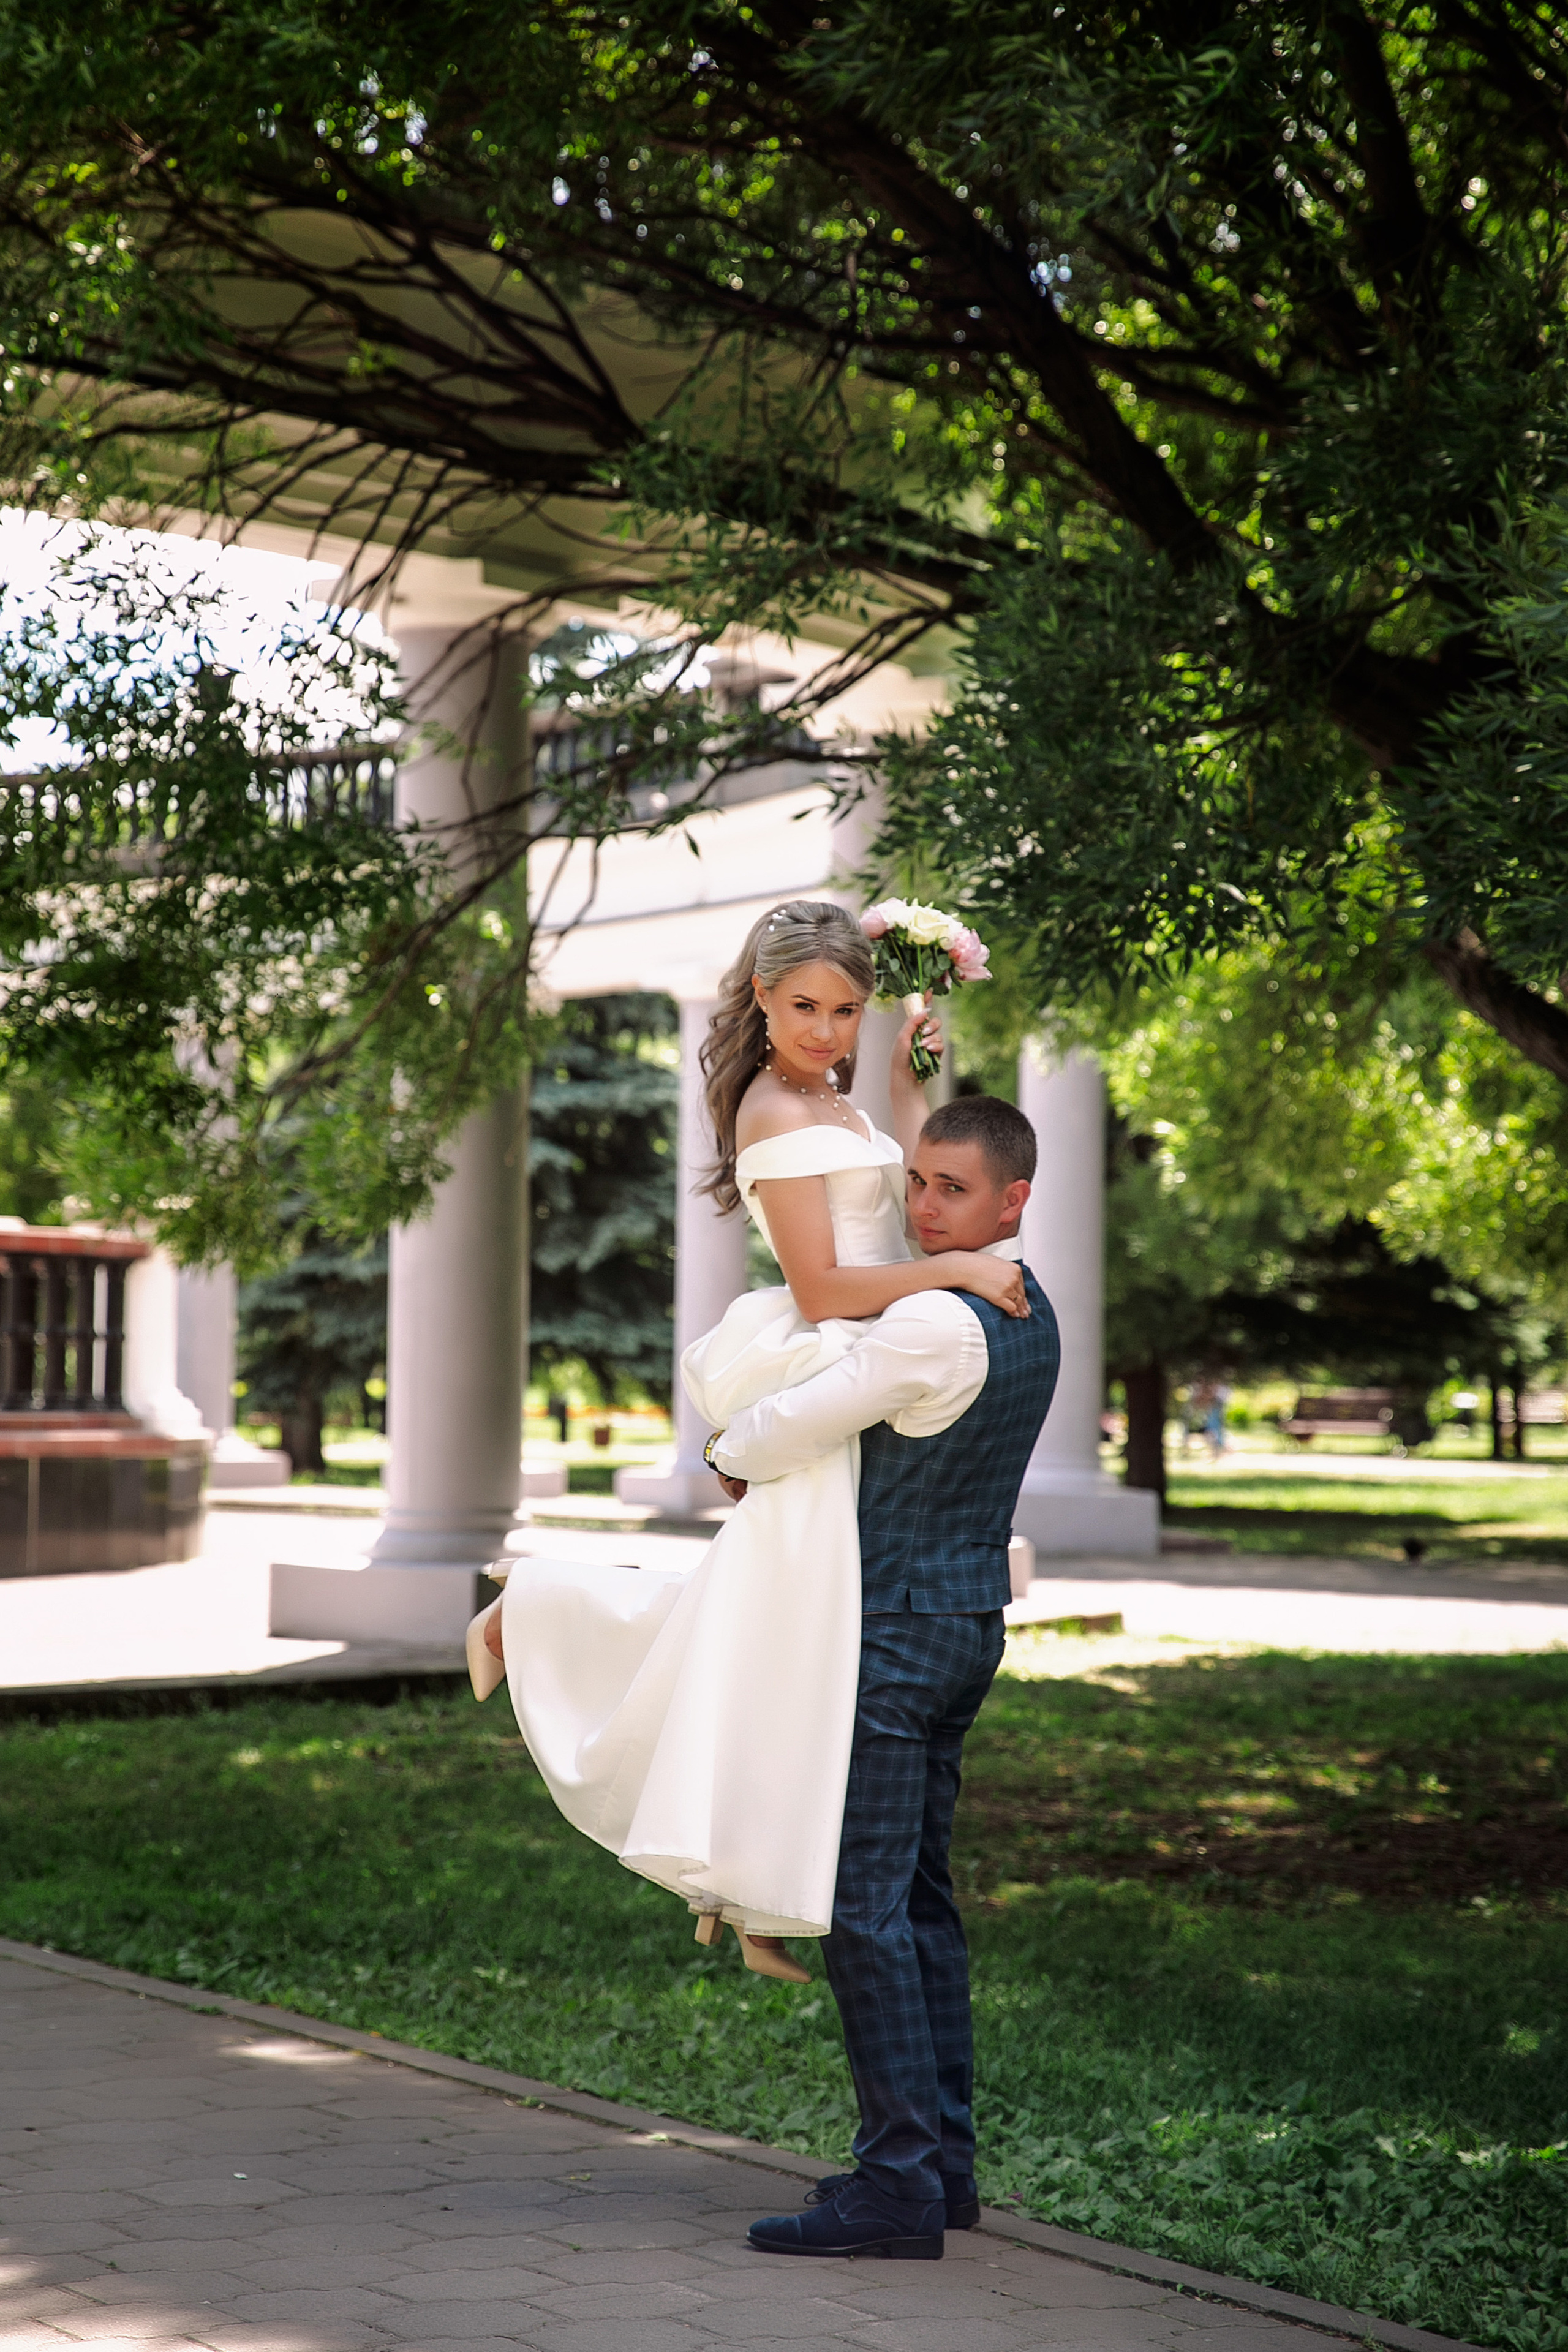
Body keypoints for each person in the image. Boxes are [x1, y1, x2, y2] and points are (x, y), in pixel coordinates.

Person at [466, 899, 1028, 1983]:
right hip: (831, 1351)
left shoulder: (833, 1092)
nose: (826, 1030)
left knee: (780, 1628)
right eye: (806, 1006)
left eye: (847, 1009)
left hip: (868, 1357)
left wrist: (914, 1059)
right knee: (790, 1627)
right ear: (763, 997)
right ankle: (531, 1615)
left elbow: (906, 1168)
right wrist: (956, 1270)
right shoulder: (774, 1108)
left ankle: (753, 1891)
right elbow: (822, 1289)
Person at [704, 1095, 1061, 2262]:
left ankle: (897, 2186)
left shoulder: (930, 1323)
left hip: (896, 1641)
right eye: (916, 1180)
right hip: (968, 1628)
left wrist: (725, 1449)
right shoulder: (1032, 1309)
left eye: (952, 1190)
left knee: (864, 1909)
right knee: (920, 1901)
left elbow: (784, 1430)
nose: (922, 1207)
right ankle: (943, 2172)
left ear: (1013, 1200)